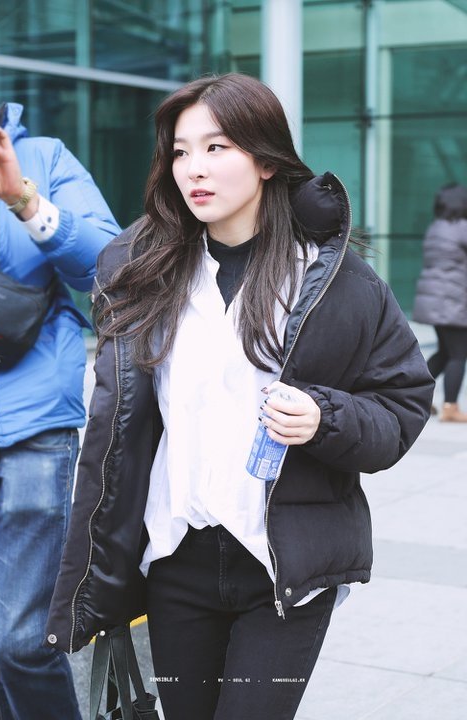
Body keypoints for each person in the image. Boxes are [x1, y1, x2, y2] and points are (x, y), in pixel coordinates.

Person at [46, 73, 434, 720]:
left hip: (283, 570)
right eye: (180, 151)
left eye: (216, 147)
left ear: (265, 159)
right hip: (174, 559)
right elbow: (119, 430)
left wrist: (325, 417)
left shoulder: (333, 277)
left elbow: (402, 403)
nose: (193, 168)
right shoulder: (143, 273)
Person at [0, 102, 120, 719]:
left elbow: (109, 265)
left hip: (32, 420)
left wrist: (21, 198)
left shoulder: (41, 158)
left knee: (19, 642)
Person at [412, 183, 467, 422]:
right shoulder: (461, 228)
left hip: (435, 299)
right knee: (458, 354)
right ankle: (450, 407)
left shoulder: (436, 227)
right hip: (453, 300)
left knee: (446, 352)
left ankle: (413, 395)